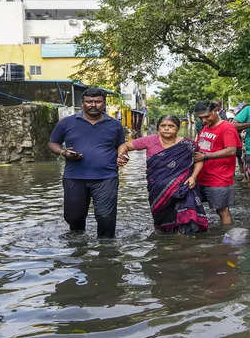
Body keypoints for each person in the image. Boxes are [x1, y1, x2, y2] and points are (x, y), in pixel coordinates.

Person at [48, 87, 125, 238]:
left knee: (106, 218)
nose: (93, 105)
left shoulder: (115, 125)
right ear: (82, 103)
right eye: (89, 102)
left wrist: (122, 154)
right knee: (74, 218)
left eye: (98, 101)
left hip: (106, 177)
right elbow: (52, 143)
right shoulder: (67, 123)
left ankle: (107, 253)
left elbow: (121, 145)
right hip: (74, 177)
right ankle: (78, 249)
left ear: (104, 103)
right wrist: (63, 152)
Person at [116, 115, 209, 234]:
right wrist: (122, 155)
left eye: (171, 126)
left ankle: (184, 243)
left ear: (177, 128)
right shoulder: (149, 140)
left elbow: (199, 159)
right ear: (158, 128)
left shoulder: (188, 144)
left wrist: (193, 177)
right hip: (158, 190)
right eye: (163, 126)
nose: (166, 129)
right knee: (163, 224)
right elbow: (125, 146)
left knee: (187, 216)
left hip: (184, 187)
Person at [192, 101, 241, 225]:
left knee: (222, 210)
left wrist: (205, 156)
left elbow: (231, 150)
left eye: (207, 116)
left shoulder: (227, 128)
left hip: (219, 178)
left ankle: (227, 238)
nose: (203, 120)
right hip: (202, 177)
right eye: (200, 118)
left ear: (216, 111)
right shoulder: (206, 127)